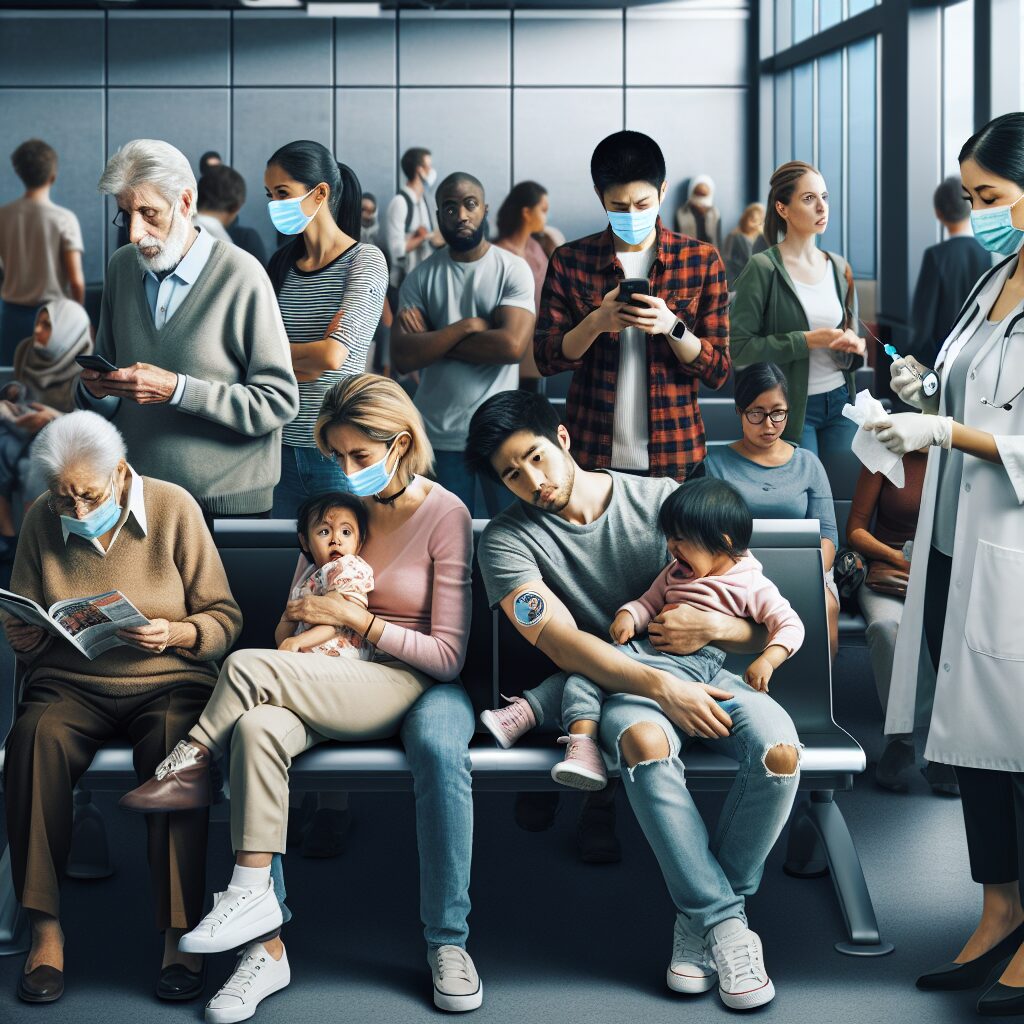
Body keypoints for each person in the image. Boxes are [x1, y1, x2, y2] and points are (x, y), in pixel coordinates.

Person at [122, 374, 483, 1018]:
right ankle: (264, 941)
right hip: (330, 676)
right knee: (258, 728)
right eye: (336, 456)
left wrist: (356, 621)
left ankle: (448, 942)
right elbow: (291, 619)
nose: (346, 472)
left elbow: (449, 658)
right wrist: (308, 630)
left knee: (243, 670)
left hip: (408, 678)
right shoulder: (334, 514)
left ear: (400, 445)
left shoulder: (445, 514)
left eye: (360, 457)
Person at [467, 388, 800, 1011]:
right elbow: (562, 644)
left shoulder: (663, 500)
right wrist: (661, 686)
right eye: (511, 474)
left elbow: (758, 608)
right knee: (645, 744)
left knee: (781, 754)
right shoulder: (505, 543)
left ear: (563, 438)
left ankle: (700, 916)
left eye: (536, 457)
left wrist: (717, 630)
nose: (532, 481)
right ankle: (728, 927)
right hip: (625, 686)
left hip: (713, 672)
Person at [2, 411, 242, 1005]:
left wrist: (177, 633)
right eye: (64, 498)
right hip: (70, 680)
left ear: (122, 472)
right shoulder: (41, 517)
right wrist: (25, 635)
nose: (77, 511)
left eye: (88, 494)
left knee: (175, 755)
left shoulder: (173, 508)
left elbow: (225, 617)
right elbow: (23, 612)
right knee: (33, 740)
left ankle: (179, 931)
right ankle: (46, 928)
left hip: (169, 678)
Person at [867, 113, 1024, 1015]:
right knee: (974, 747)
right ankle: (1000, 906)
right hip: (955, 543)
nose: (979, 213)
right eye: (971, 197)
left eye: (993, 197)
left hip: (1012, 551)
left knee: (1018, 743)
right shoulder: (996, 275)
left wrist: (948, 430)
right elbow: (974, 382)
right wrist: (927, 389)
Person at [480, 477, 804, 793]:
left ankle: (535, 717)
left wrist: (768, 661)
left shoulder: (750, 582)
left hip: (694, 665)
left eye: (681, 539)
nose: (670, 547)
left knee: (587, 672)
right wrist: (629, 616)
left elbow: (789, 624)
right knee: (587, 672)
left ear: (724, 542)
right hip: (648, 649)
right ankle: (572, 741)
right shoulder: (677, 571)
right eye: (669, 538)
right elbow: (650, 600)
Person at [76, 139, 299, 523]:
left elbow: (278, 402)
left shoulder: (241, 275)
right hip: (137, 501)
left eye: (149, 213)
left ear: (184, 202)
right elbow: (108, 386)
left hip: (225, 507)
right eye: (125, 213)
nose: (134, 232)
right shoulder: (122, 268)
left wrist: (177, 390)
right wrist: (94, 391)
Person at [534, 131, 730, 482]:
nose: (632, 215)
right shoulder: (571, 260)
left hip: (678, 456)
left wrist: (672, 325)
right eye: (619, 207)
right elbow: (546, 358)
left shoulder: (701, 260)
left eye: (642, 204)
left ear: (663, 192)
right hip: (591, 455)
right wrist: (596, 322)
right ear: (600, 196)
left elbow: (718, 371)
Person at [390, 172, 535, 515]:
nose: (461, 215)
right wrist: (465, 327)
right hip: (437, 437)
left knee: (511, 537)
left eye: (470, 204)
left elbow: (511, 347)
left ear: (484, 209)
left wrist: (435, 337)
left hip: (500, 435)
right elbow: (403, 357)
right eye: (450, 208)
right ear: (439, 217)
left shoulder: (511, 269)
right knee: (447, 543)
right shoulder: (421, 277)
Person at [264, 141, 387, 516]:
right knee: (282, 569)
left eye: (282, 193)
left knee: (342, 569)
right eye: (269, 194)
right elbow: (252, 356)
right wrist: (308, 354)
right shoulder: (280, 265)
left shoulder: (364, 260)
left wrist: (281, 356)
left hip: (337, 453)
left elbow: (332, 357)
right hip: (276, 447)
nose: (274, 204)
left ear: (320, 193)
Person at [702, 363, 841, 659]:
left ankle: (820, 696)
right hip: (732, 575)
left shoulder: (808, 464)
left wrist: (811, 574)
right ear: (739, 411)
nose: (768, 425)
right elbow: (701, 532)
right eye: (756, 413)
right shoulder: (714, 463)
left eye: (778, 413)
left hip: (807, 573)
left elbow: (828, 535)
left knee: (825, 606)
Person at [730, 160, 866, 455]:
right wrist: (806, 341)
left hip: (841, 401)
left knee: (843, 495)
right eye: (809, 198)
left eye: (824, 197)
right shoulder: (763, 268)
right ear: (782, 208)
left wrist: (855, 347)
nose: (822, 207)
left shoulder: (839, 267)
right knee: (802, 498)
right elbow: (739, 348)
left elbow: (850, 335)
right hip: (788, 410)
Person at [844, 455, 946, 793]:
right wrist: (897, 556)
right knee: (886, 628)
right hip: (890, 571)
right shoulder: (886, 448)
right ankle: (900, 741)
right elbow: (855, 529)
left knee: (951, 634)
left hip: (943, 576)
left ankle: (943, 746)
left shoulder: (962, 453)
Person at [0, 301, 93, 556]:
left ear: (68, 330)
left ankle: (37, 545)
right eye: (37, 323)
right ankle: (7, 537)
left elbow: (91, 420)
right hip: (25, 426)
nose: (38, 331)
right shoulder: (27, 351)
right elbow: (24, 389)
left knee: (34, 463)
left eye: (47, 325)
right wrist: (14, 393)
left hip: (62, 432)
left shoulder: (87, 367)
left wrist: (53, 418)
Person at [0, 140, 85, 363]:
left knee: (11, 384)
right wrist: (78, 321)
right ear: (52, 176)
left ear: (20, 173)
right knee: (50, 388)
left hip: (10, 315)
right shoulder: (64, 220)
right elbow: (76, 282)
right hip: (52, 319)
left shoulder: (3, 216)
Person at [278, 492, 375, 658]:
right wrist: (287, 622)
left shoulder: (349, 567)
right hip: (307, 657)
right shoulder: (307, 577)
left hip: (342, 658)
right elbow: (285, 634)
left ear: (360, 541)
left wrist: (297, 642)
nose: (335, 539)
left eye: (346, 532)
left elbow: (337, 619)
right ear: (305, 542)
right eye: (324, 532)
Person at [908, 176, 992, 365]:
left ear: (939, 213)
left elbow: (923, 321)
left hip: (943, 356)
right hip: (980, 355)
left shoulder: (936, 256)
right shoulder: (987, 254)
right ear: (970, 208)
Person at [495, 181, 551, 391]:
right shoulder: (499, 253)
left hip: (539, 349)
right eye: (543, 210)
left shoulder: (536, 247)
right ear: (526, 213)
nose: (546, 217)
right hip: (514, 353)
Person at [384, 147, 444, 297]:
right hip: (404, 287)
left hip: (424, 284)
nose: (432, 171)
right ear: (419, 170)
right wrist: (422, 237)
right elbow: (397, 251)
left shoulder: (426, 201)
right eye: (428, 166)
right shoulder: (400, 203)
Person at [721, 203, 766, 286]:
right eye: (752, 219)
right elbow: (726, 262)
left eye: (758, 220)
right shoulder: (735, 236)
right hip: (737, 284)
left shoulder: (762, 237)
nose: (754, 223)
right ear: (745, 218)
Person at [674, 174, 722, 248]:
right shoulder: (681, 214)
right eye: (698, 194)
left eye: (704, 195)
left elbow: (718, 241)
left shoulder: (715, 214)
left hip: (710, 255)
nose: (701, 200)